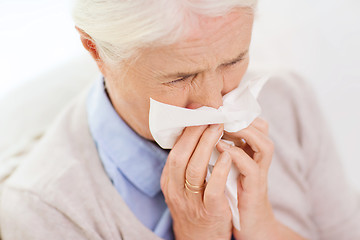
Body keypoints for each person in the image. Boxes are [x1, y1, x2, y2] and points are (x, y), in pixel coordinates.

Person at [1, 0, 360, 239]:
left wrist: (262, 224)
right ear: (95, 51)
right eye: (179, 78)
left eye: (233, 60)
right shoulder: (39, 215)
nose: (211, 102)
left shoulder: (287, 99)